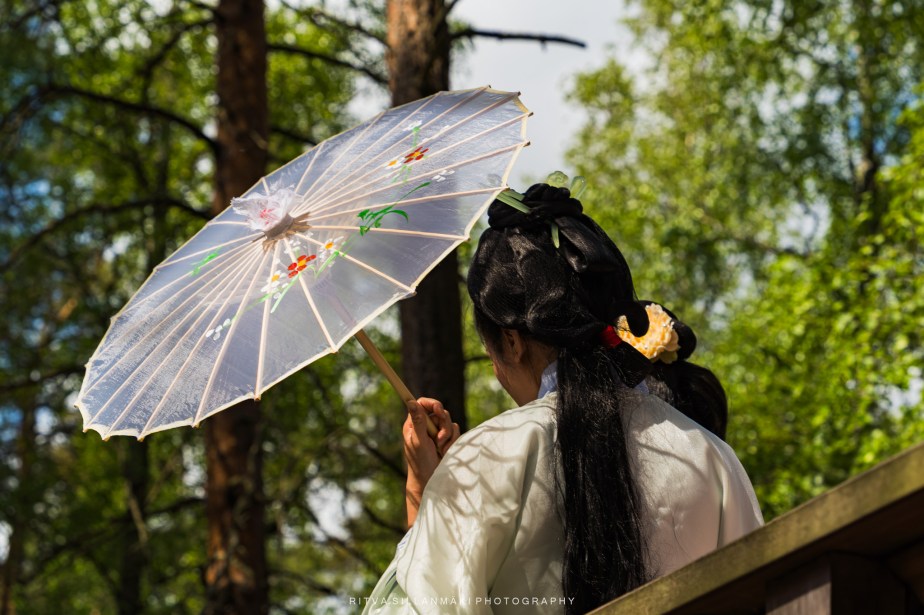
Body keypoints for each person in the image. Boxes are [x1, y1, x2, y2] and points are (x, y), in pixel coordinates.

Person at [363, 184, 763, 615]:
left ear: (512, 342)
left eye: (489, 344)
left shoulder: (486, 459)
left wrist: (424, 495)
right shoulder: (712, 458)